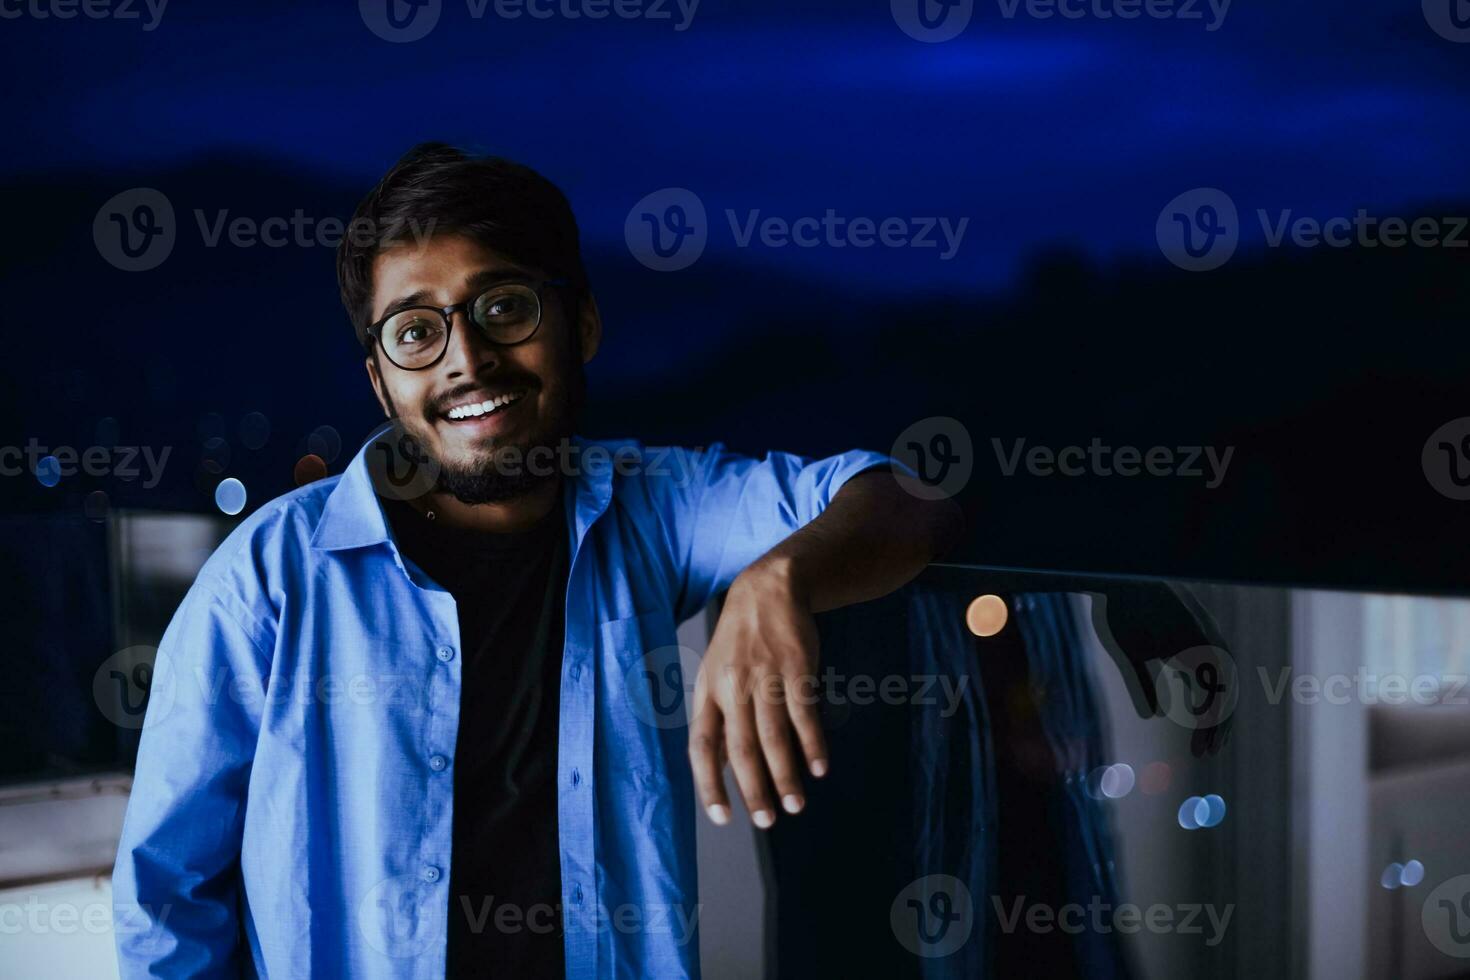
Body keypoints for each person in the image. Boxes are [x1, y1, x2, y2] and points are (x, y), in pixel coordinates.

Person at [112, 142, 962, 979]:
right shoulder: (268, 579)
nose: (467, 357)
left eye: (504, 307)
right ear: (379, 381)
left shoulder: (656, 509)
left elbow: (909, 500)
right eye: (416, 331)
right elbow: (165, 900)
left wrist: (782, 580)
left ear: (580, 323)